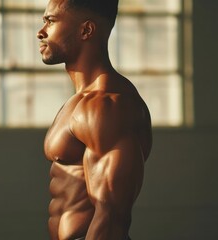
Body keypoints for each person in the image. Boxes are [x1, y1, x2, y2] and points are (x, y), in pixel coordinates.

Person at [37, 0, 152, 239]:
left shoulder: (107, 107)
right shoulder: (80, 101)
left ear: (86, 30)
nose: (41, 32)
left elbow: (110, 217)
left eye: (51, 21)